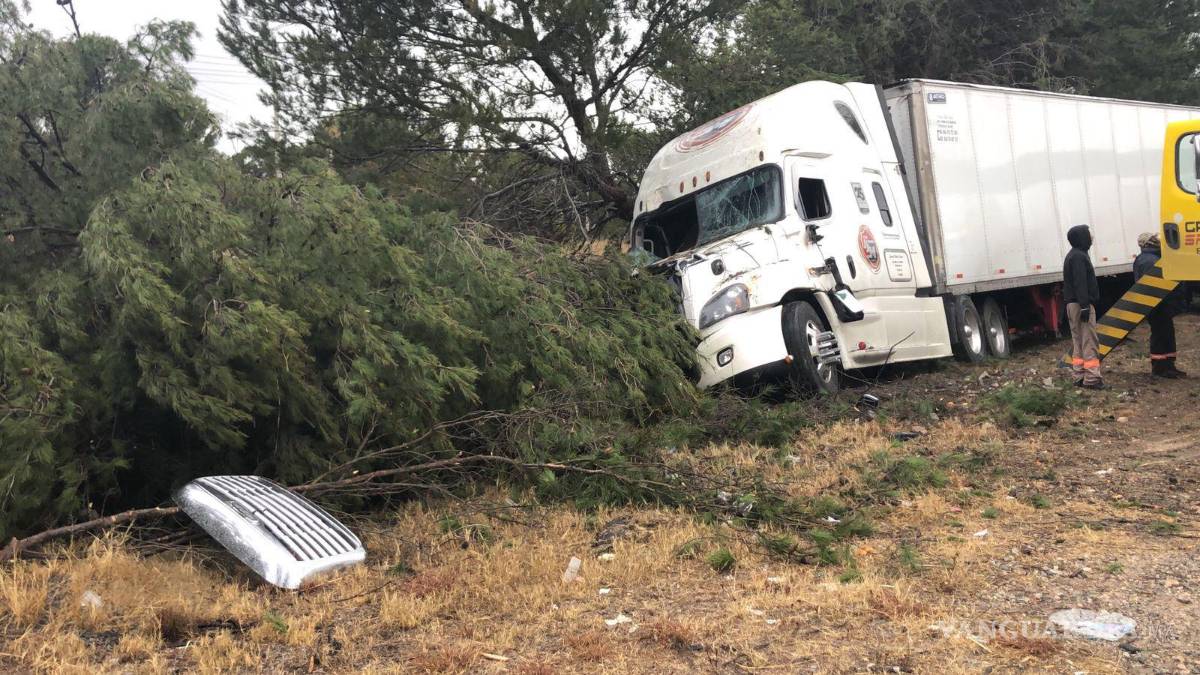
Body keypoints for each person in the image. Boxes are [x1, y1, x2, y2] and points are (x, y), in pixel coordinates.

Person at [1133, 232, 1187, 378]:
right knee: (1160, 335)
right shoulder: (1149, 260)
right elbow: (1153, 287)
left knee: (1166, 334)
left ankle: (1169, 366)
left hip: (1160, 304)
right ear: (1150, 243)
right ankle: (1160, 368)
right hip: (1158, 305)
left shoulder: (1148, 258)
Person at [1063, 224, 1104, 389]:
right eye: (1088, 234)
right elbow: (1081, 282)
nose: (1091, 237)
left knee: (1078, 341)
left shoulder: (1072, 255)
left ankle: (1079, 376)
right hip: (1081, 304)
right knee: (1089, 341)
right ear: (1082, 238)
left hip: (1073, 304)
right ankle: (1092, 379)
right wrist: (1085, 305)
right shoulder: (1079, 257)